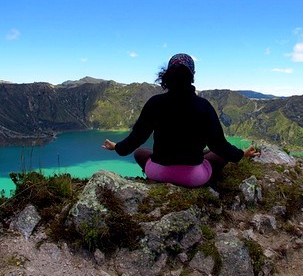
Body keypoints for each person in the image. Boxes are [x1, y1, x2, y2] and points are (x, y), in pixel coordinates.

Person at [102, 53, 259, 187]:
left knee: (139, 153)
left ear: (168, 75)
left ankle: (164, 172)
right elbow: (219, 145)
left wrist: (117, 147)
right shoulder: (203, 106)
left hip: (158, 173)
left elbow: (137, 138)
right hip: (193, 177)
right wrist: (241, 154)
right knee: (219, 154)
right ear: (192, 75)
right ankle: (205, 170)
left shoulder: (155, 103)